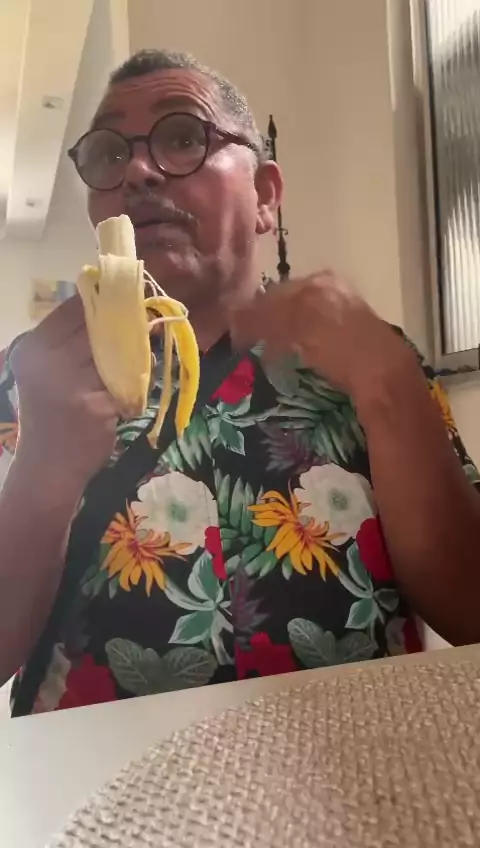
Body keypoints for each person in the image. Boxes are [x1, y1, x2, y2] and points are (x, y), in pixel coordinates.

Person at [1, 49, 480, 716]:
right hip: (100, 782)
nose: (137, 170)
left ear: (265, 196)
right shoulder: (32, 378)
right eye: (109, 153)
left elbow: (470, 614)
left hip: (363, 767)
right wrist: (41, 472)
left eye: (182, 137)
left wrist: (392, 391)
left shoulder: (373, 360)